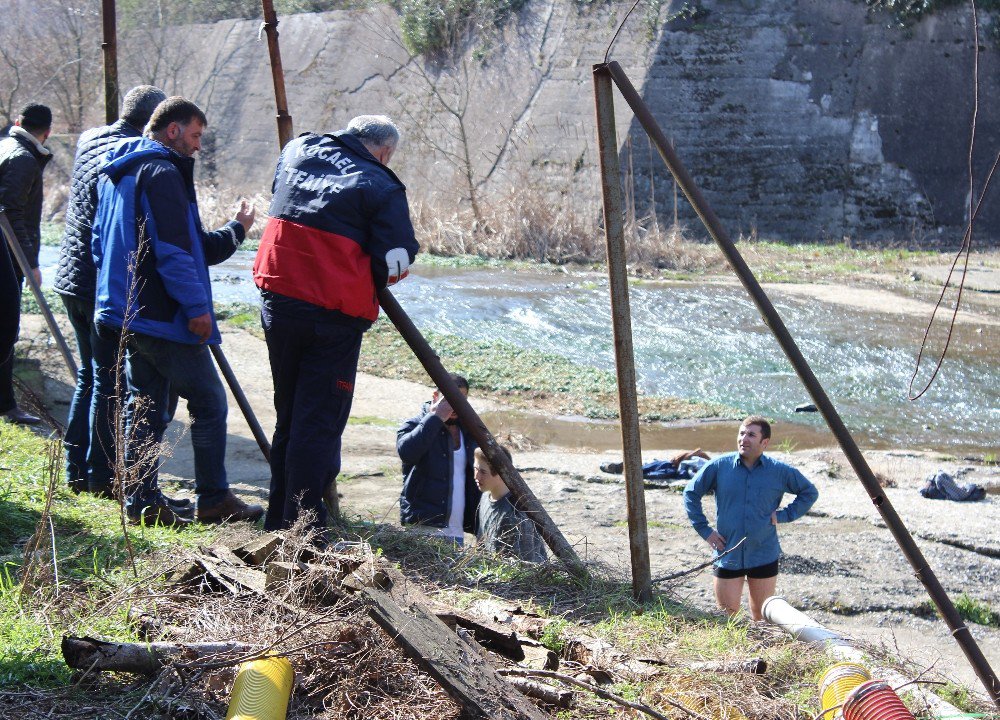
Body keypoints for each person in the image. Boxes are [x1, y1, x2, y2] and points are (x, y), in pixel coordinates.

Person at [92, 96, 262, 527]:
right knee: (208, 401)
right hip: (160, 313)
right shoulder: (163, 172)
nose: (198, 146)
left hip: (126, 309)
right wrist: (195, 307)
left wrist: (236, 231)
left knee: (145, 404)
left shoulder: (119, 171)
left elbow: (104, 242)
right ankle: (213, 499)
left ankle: (142, 500)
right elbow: (172, 253)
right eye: (195, 135)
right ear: (172, 130)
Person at [253, 114, 419, 533]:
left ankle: (278, 520)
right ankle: (304, 530)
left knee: (288, 414)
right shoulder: (381, 184)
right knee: (319, 423)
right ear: (384, 152)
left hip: (277, 298)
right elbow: (397, 261)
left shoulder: (296, 150)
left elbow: (281, 196)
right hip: (332, 314)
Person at [54, 86, 167, 495]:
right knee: (109, 381)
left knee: (91, 376)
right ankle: (101, 476)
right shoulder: (134, 151)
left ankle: (76, 470)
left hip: (69, 277)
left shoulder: (90, 138)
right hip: (97, 282)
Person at [683, 415, 818, 620]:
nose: (743, 439)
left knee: (762, 617)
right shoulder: (720, 466)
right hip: (727, 553)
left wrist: (784, 515)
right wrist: (705, 530)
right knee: (727, 617)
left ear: (764, 442)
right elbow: (690, 493)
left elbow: (809, 492)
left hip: (763, 553)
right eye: (742, 433)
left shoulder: (779, 471)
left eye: (751, 435)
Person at [0, 103, 52, 425]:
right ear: (47, 132)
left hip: (6, 256)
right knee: (6, 330)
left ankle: (6, 404)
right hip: (7, 258)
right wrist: (30, 262)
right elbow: (9, 212)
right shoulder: (23, 159)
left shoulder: (6, 146)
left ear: (19, 122)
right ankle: (7, 406)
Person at [397, 376, 478, 544]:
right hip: (423, 527)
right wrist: (436, 417)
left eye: (461, 400)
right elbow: (407, 453)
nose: (455, 405)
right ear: (436, 396)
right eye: (450, 399)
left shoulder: (469, 431)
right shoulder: (414, 425)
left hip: (457, 531)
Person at [474, 445, 546, 562]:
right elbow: (481, 544)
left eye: (482, 472)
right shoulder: (485, 496)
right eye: (476, 469)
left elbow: (526, 566)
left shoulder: (515, 515)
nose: (476, 476)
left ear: (501, 473)